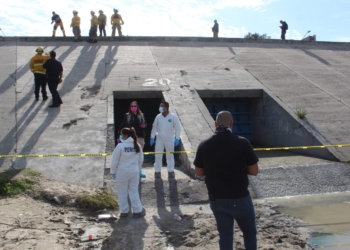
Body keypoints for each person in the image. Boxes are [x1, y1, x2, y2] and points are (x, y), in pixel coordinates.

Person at [194, 111, 259, 250]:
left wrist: (213, 170)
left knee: (225, 235)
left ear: (215, 124)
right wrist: (241, 169)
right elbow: (254, 171)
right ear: (232, 124)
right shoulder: (242, 142)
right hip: (240, 198)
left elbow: (199, 172)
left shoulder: (204, 144)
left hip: (217, 199)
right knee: (249, 232)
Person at [110, 127, 146, 219]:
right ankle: (138, 210)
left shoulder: (120, 146)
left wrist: (113, 172)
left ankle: (124, 212)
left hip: (122, 173)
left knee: (122, 192)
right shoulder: (137, 145)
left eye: (121, 135)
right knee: (134, 191)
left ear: (125, 136)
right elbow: (140, 160)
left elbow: (114, 161)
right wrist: (139, 171)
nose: (120, 136)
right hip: (134, 172)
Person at [150, 101, 181, 179]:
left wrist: (177, 138)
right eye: (160, 106)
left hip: (170, 139)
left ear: (166, 107)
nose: (160, 107)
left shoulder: (173, 117)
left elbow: (177, 128)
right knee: (158, 155)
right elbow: (154, 127)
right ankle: (157, 171)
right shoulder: (158, 117)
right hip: (159, 139)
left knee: (170, 155)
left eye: (162, 106)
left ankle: (170, 171)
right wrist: (152, 137)